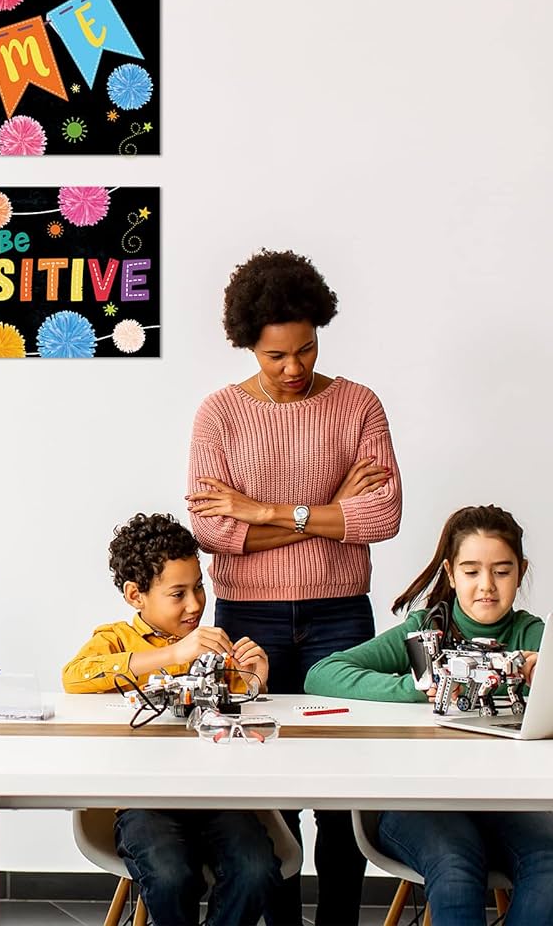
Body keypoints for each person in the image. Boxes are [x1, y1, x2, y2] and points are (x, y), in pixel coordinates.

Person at [185, 249, 403, 925]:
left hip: (342, 617)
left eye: (305, 351)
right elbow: (211, 530)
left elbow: (384, 516)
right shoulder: (219, 414)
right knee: (267, 787)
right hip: (249, 617)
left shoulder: (358, 404)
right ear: (248, 345)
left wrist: (263, 511)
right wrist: (330, 510)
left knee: (344, 788)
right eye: (275, 356)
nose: (293, 369)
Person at [305, 504, 553, 926]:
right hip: (418, 798)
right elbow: (322, 674)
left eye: (502, 571)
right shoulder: (423, 632)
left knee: (548, 869)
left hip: (504, 799)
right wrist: (416, 688)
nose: (487, 586)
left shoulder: (535, 636)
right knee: (456, 868)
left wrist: (542, 676)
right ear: (451, 574)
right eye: (472, 571)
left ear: (521, 571)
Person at [62, 512, 281, 926]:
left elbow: (241, 724)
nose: (196, 604)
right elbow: (75, 676)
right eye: (177, 594)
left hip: (218, 798)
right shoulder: (115, 640)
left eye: (198, 587)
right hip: (145, 803)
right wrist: (172, 655)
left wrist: (254, 685)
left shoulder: (215, 645)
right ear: (135, 595)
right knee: (169, 874)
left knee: (255, 870)